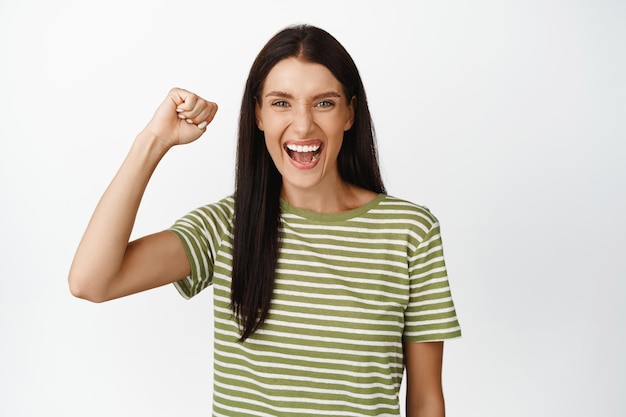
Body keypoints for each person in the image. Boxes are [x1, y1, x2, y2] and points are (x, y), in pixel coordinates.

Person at [69, 24, 461, 417]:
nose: (303, 125)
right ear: (258, 114)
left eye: (324, 103)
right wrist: (153, 140)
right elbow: (91, 281)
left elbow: (426, 400)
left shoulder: (409, 231)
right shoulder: (228, 226)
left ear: (349, 113)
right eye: (281, 103)